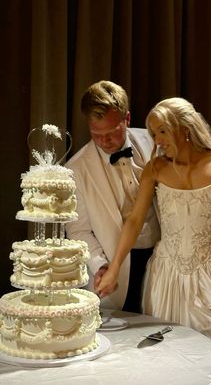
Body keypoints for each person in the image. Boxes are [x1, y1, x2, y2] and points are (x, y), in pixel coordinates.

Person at [96, 97, 211, 382]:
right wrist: (113, 269)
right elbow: (134, 220)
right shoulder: (155, 168)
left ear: (184, 128)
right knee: (163, 360)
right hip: (165, 275)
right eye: (153, 133)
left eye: (162, 131)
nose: (157, 141)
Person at [65, 80, 160, 312]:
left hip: (160, 260)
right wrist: (101, 266)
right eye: (96, 134)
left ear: (126, 119)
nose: (104, 141)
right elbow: (79, 231)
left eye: (111, 132)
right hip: (116, 269)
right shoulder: (75, 169)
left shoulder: (154, 141)